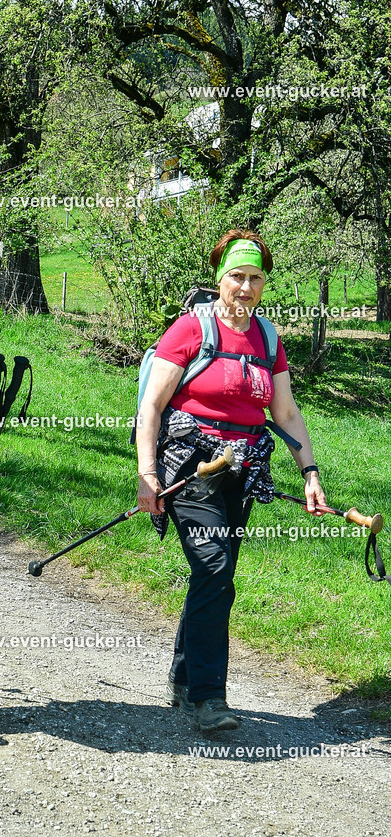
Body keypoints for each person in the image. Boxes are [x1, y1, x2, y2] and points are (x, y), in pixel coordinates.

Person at [136, 230, 326, 731]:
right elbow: (151, 405)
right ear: (220, 278)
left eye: (255, 278)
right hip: (190, 467)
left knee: (213, 579)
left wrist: (310, 472)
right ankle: (207, 697)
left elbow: (285, 412)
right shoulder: (188, 331)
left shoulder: (267, 338)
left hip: (242, 472)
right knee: (216, 570)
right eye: (237, 277)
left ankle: (182, 679)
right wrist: (147, 475)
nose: (246, 287)